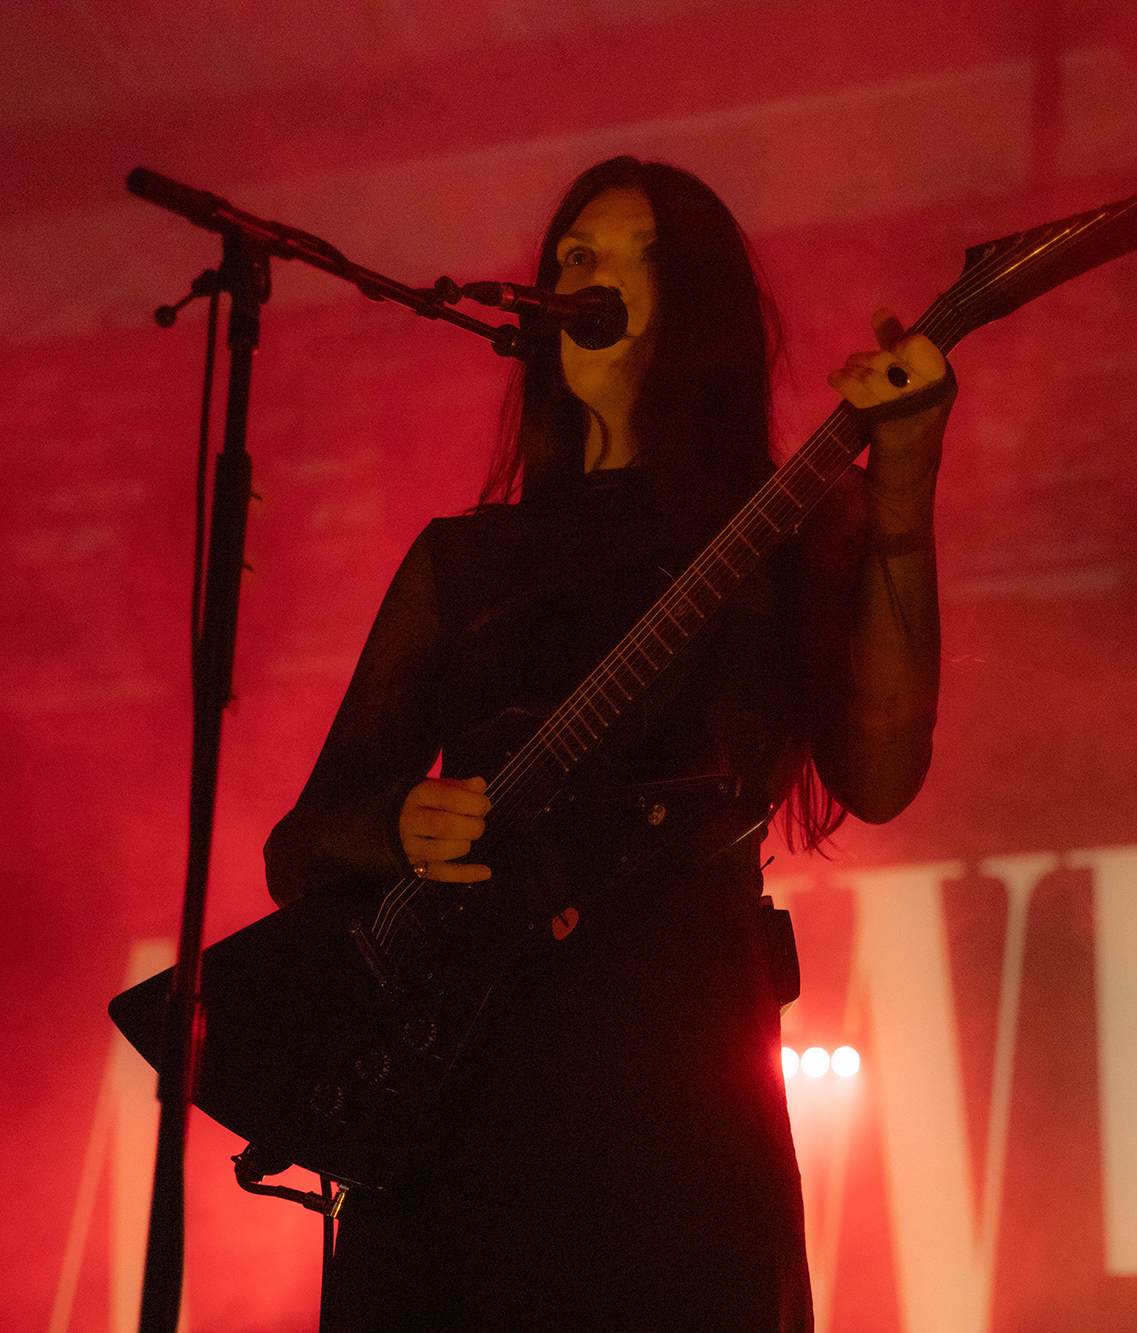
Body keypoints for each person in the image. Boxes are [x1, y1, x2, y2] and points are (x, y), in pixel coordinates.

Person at [263, 156, 953, 1333]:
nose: (593, 275)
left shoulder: (784, 526)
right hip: (457, 1089)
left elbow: (880, 773)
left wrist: (901, 486)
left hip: (679, 1079)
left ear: (704, 308)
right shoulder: (464, 561)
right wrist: (396, 825)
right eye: (575, 255)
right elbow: (302, 843)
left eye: (641, 256)